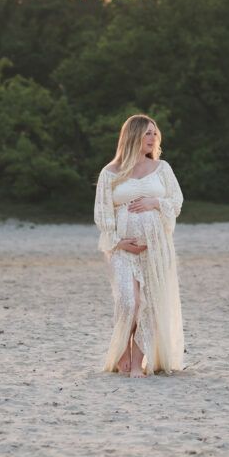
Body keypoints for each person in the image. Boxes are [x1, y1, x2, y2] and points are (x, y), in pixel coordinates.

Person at [93, 114, 184, 377]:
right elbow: (103, 214)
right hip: (123, 249)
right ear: (132, 136)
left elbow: (176, 203)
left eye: (155, 133)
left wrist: (155, 203)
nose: (153, 137)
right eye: (147, 133)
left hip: (156, 247)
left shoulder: (162, 168)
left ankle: (136, 364)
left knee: (151, 303)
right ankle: (122, 354)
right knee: (128, 302)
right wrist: (118, 242)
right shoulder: (110, 173)